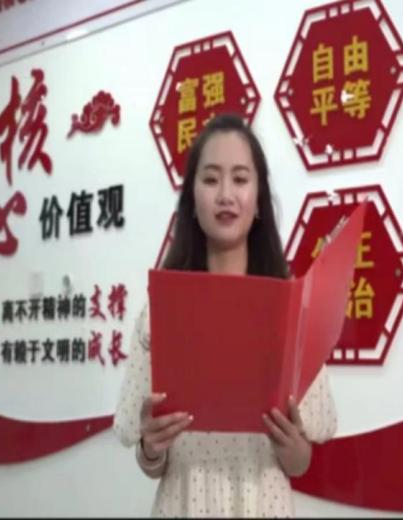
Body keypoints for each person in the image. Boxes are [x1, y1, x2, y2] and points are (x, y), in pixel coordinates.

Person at [113, 113, 337, 517]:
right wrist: (151, 446)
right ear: (192, 201)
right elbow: (151, 464)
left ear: (259, 200)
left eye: (240, 179)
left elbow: (299, 463)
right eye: (211, 179)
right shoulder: (162, 310)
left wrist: (293, 447)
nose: (226, 195)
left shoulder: (290, 312)